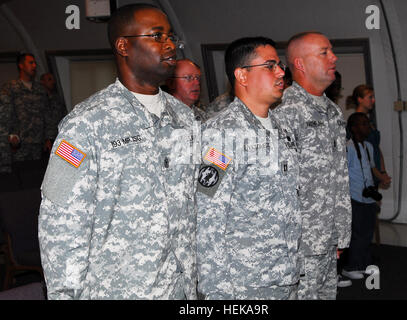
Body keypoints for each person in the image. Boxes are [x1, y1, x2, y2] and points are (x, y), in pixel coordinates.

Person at [38, 4, 197, 300]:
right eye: (157, 36)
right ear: (123, 45)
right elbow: (59, 223)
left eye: (172, 37)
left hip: (182, 289)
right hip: (121, 291)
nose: (170, 44)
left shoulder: (185, 119)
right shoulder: (84, 125)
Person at [196, 37, 301, 299]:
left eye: (279, 65)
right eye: (269, 66)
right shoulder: (221, 134)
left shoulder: (281, 129)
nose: (280, 72)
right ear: (242, 75)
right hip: (244, 283)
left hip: (286, 275)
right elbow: (207, 218)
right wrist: (217, 293)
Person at [273, 31, 352, 300]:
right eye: (324, 52)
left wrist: (340, 233)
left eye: (331, 51)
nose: (334, 57)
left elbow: (339, 176)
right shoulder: (284, 110)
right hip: (301, 242)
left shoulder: (332, 111)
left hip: (328, 237)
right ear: (300, 64)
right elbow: (278, 184)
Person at [342, 112, 385, 279]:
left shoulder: (368, 146)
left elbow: (370, 169)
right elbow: (344, 173)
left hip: (368, 197)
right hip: (355, 197)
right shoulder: (348, 147)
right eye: (364, 124)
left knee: (367, 232)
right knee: (357, 233)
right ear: (354, 128)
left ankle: (364, 263)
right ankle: (352, 266)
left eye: (367, 123)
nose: (368, 127)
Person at [0, 53, 53, 172]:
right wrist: (9, 136)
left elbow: (47, 114)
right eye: (30, 63)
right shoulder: (10, 87)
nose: (34, 66)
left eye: (35, 63)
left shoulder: (40, 89)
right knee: (20, 176)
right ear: (21, 65)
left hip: (38, 144)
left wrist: (48, 138)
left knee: (36, 176)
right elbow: (5, 116)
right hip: (19, 144)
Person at [346, 85, 391, 189]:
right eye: (370, 97)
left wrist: (383, 171)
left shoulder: (370, 122)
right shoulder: (356, 123)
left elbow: (376, 148)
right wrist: (379, 175)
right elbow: (364, 156)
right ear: (360, 99)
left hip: (375, 171)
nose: (373, 100)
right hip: (365, 174)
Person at [40, 72, 67, 140]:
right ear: (42, 82)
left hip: (58, 136)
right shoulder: (38, 99)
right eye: (49, 79)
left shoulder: (58, 98)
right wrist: (46, 139)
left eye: (53, 80)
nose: (53, 82)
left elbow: (64, 116)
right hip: (43, 138)